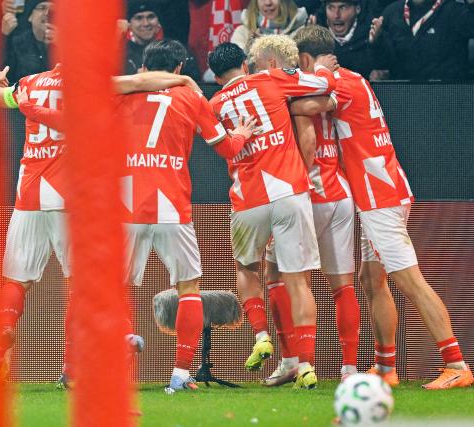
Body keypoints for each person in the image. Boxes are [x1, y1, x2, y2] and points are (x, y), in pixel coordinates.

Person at [0, 56, 207, 381]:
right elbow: (140, 82)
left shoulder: (29, 84)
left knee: (17, 280)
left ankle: (4, 329)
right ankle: (71, 367)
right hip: (71, 198)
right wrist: (183, 81)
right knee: (80, 285)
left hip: (28, 195)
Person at [289, 25, 474, 389]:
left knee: (410, 281)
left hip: (381, 197)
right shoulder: (350, 79)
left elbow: (302, 104)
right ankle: (386, 367)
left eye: (299, 65)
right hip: (375, 194)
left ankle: (456, 363)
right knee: (372, 279)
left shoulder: (337, 81)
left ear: (307, 59)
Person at [114, 39, 257, 393]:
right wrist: (241, 133)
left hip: (126, 204)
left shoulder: (120, 94)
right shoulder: (191, 98)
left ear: (144, 68)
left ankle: (121, 340)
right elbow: (226, 148)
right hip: (171, 204)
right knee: (189, 287)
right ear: (179, 69)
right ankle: (179, 374)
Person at [208, 38, 337, 389]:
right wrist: (322, 69)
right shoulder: (271, 79)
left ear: (217, 77)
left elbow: (221, 147)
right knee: (297, 280)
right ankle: (306, 364)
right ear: (246, 66)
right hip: (289, 191)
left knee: (247, 270)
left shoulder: (215, 103)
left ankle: (261, 334)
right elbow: (323, 84)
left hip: (248, 198)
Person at [253, 29, 360, 386]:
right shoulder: (337, 84)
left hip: (307, 194)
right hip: (340, 192)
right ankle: (349, 369)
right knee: (342, 285)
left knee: (278, 277)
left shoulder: (291, 93)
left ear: (301, 60)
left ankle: (294, 362)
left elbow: (308, 139)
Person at [368, 0, 474, 80]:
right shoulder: (392, 12)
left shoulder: (452, 11)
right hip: (404, 97)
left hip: (447, 97)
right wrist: (376, 42)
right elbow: (384, 63)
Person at [122, 0, 200, 80]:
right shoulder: (120, 53)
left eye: (151, 17)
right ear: (129, 24)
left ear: (158, 22)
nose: (146, 23)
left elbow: (195, 79)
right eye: (139, 18)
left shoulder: (175, 50)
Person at [315, 0, 376, 79]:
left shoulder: (374, 35)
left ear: (357, 9)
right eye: (331, 8)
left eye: (342, 7)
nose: (336, 15)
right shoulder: (314, 35)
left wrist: (376, 44)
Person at [2, 0, 53, 84]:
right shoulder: (17, 43)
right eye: (42, 8)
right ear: (30, 17)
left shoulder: (63, 45)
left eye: (51, 11)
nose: (47, 13)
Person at [231, 0, 309, 53]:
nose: (268, 2)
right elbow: (235, 68)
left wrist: (268, 46)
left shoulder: (302, 31)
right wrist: (249, 49)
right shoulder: (242, 32)